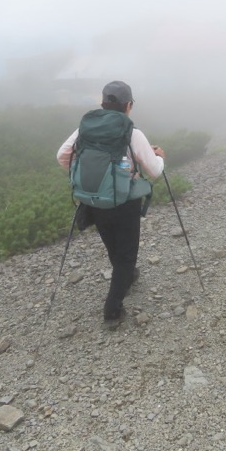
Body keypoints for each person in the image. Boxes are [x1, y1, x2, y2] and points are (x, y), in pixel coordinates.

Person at [57, 80, 165, 328]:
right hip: (124, 202)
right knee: (127, 254)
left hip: (93, 199)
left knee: (113, 245)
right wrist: (159, 157)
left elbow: (62, 155)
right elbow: (154, 171)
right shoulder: (133, 133)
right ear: (129, 105)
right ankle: (112, 310)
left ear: (103, 103)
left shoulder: (84, 129)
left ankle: (128, 277)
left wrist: (86, 174)